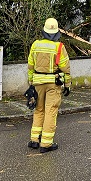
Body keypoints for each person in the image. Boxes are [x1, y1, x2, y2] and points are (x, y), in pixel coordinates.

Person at [27, 17, 71, 153]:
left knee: (39, 110)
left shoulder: (35, 45)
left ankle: (34, 140)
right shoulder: (59, 47)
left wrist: (30, 81)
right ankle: (46, 144)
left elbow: (30, 65)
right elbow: (65, 68)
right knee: (51, 111)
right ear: (57, 32)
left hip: (38, 83)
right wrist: (68, 84)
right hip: (53, 83)